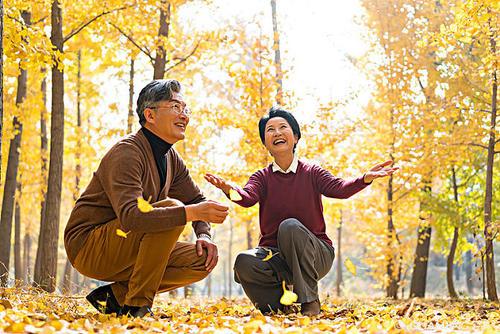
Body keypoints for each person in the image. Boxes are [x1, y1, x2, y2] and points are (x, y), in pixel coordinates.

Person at [205, 107, 398, 316]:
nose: (277, 133)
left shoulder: (312, 172)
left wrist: (365, 178)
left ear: (295, 137)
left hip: (316, 254)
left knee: (290, 227)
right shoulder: (262, 177)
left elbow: (340, 189)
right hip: (276, 257)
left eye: (283, 127)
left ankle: (310, 303)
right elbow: (246, 198)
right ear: (265, 143)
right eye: (270, 130)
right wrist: (228, 189)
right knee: (244, 261)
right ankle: (277, 308)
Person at [64, 79, 229, 317]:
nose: (184, 115)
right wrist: (190, 213)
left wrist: (203, 233)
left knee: (201, 260)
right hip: (89, 246)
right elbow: (132, 217)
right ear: (150, 115)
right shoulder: (127, 152)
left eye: (185, 109)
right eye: (175, 107)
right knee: (173, 208)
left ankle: (114, 297)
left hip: (128, 244)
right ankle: (136, 307)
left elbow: (196, 198)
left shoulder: (171, 157)